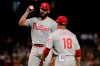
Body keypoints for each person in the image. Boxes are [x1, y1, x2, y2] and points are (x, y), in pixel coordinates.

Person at [18, 2, 57, 66]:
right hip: (34, 48)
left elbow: (56, 39)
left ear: (48, 11)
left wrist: (55, 56)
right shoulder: (33, 20)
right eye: (42, 9)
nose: (43, 11)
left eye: (45, 10)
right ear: (39, 9)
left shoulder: (53, 23)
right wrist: (27, 11)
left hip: (46, 49)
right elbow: (21, 23)